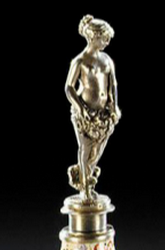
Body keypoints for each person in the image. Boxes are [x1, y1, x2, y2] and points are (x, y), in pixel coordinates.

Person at [65, 15, 121, 200]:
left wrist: (114, 106)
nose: (107, 42)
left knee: (97, 152)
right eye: (104, 38)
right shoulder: (80, 61)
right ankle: (86, 188)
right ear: (92, 37)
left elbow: (113, 85)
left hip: (104, 115)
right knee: (85, 148)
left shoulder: (107, 60)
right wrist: (80, 108)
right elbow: (69, 87)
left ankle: (85, 176)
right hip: (85, 114)